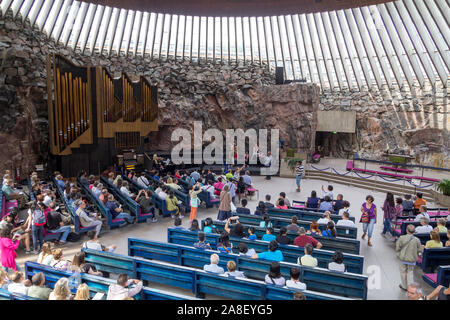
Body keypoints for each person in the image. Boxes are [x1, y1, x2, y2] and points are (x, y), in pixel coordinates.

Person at [396, 224, 422, 291]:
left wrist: (399, 254)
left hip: (403, 258)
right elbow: (420, 250)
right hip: (412, 259)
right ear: (414, 231)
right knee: (410, 272)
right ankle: (409, 287)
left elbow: (397, 247)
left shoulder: (402, 238)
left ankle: (404, 286)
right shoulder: (417, 240)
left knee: (403, 271)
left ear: (406, 230)